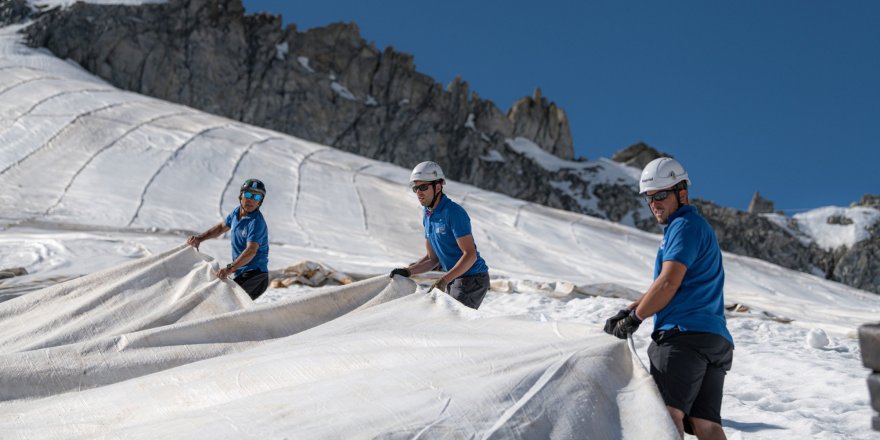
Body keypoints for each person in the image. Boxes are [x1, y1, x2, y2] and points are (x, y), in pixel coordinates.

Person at [604, 157, 734, 440]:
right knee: (706, 424)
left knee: (667, 415)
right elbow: (671, 284)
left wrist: (637, 318)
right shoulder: (697, 227)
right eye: (649, 198)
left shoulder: (683, 227)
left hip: (682, 338)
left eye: (661, 195)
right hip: (714, 340)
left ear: (682, 193)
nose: (654, 204)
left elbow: (668, 282)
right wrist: (633, 307)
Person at [389, 161, 490, 309]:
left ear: (438, 187)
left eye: (423, 187)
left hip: (472, 278)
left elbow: (470, 255)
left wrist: (444, 280)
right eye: (415, 188)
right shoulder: (428, 214)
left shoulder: (454, 212)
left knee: (451, 321)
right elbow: (432, 258)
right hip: (454, 277)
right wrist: (407, 271)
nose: (419, 192)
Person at [187, 178, 270, 300]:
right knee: (227, 304)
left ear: (260, 202)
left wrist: (230, 268)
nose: (251, 200)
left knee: (225, 301)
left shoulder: (256, 222)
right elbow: (221, 228)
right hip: (242, 273)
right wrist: (200, 238)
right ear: (241, 195)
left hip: (256, 275)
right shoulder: (236, 213)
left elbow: (251, 251)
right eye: (248, 194)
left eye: (256, 198)